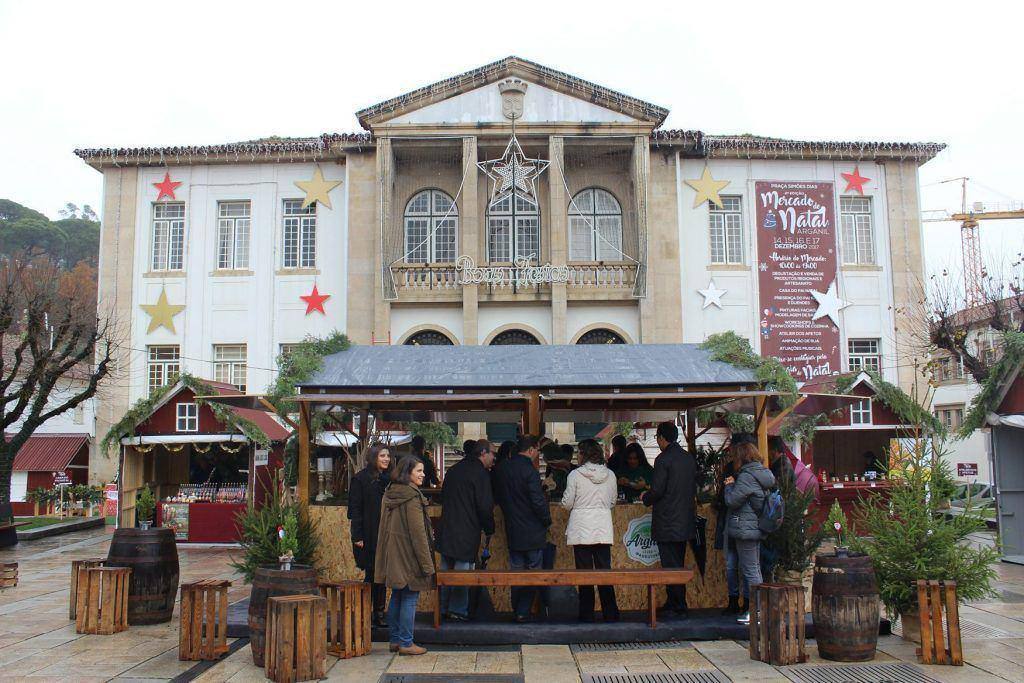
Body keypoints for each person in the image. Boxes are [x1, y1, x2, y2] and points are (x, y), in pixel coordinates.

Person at [375, 456, 435, 656]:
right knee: (409, 597)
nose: (423, 474)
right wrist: (427, 565)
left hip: (394, 555)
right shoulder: (412, 497)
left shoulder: (391, 491)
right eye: (419, 471)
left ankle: (395, 640)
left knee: (397, 596)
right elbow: (418, 535)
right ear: (407, 473)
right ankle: (407, 643)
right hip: (409, 557)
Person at [492, 435, 552, 622]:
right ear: (532, 449)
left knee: (516, 571)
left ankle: (515, 607)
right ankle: (522, 610)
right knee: (534, 571)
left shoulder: (502, 468)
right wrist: (546, 520)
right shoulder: (530, 471)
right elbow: (537, 501)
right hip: (533, 530)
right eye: (538, 451)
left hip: (512, 527)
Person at [641, 421, 696, 618]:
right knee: (678, 562)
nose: (657, 441)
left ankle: (677, 604)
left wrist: (644, 498)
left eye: (657, 437)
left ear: (662, 438)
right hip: (685, 519)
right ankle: (676, 601)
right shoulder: (688, 458)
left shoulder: (663, 460)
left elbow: (657, 490)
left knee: (670, 564)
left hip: (667, 520)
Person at [561, 438, 620, 622]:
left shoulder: (575, 475)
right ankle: (610, 613)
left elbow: (567, 503)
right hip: (602, 527)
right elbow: (612, 502)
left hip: (581, 528)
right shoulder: (610, 475)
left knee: (584, 573)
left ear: (583, 455)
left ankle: (586, 614)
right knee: (604, 572)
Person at [437, 441, 495, 621]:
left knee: (446, 570)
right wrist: (489, 528)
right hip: (467, 530)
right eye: (493, 454)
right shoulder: (480, 474)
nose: (494, 458)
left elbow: (443, 496)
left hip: (447, 527)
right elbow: (484, 506)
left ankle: (443, 607)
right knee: (463, 572)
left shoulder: (454, 470)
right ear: (483, 453)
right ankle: (458, 610)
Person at [724, 442, 777, 625]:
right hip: (755, 526)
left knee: (750, 570)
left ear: (741, 457)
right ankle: (759, 610)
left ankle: (758, 612)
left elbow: (732, 501)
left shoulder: (746, 477)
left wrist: (729, 486)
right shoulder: (762, 473)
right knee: (753, 568)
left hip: (746, 529)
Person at [348, 444, 391, 627]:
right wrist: (357, 536)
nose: (386, 459)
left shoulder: (388, 479)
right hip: (368, 534)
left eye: (388, 455)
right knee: (372, 573)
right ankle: (368, 611)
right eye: (382, 455)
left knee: (381, 574)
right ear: (374, 457)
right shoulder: (360, 479)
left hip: (385, 533)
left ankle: (379, 612)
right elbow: (355, 510)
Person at [717, 433, 750, 615]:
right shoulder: (731, 468)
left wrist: (730, 487)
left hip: (740, 523)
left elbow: (731, 499)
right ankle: (735, 600)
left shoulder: (748, 472)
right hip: (734, 523)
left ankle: (745, 602)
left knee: (742, 565)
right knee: (732, 564)